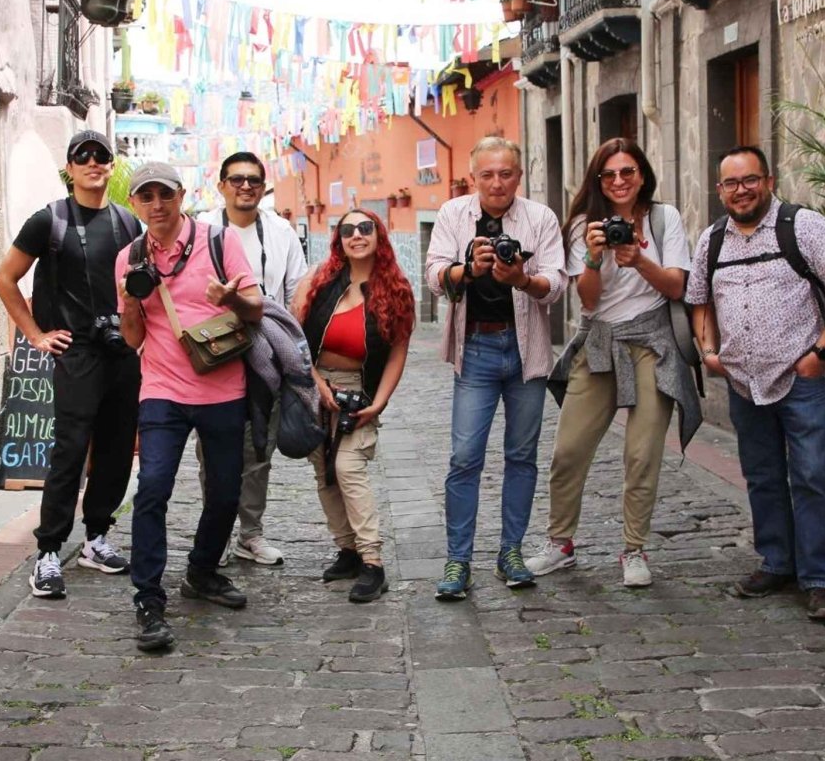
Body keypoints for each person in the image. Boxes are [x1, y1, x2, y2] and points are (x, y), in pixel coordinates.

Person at [687, 146, 825, 623]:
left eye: (750, 180)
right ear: (720, 189)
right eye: (731, 183)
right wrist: (708, 350)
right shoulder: (713, 240)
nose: (740, 190)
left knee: (810, 478)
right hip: (743, 382)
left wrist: (821, 352)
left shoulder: (802, 226)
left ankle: (820, 580)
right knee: (763, 477)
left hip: (800, 377)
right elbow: (699, 300)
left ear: (768, 180)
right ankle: (778, 562)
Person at [527, 138, 701, 588]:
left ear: (642, 174)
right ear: (598, 180)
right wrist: (593, 255)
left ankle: (634, 548)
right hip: (599, 340)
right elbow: (587, 299)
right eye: (609, 174)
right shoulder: (585, 225)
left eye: (627, 172)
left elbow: (677, 287)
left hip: (652, 341)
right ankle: (560, 543)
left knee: (641, 452)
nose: (619, 181)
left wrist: (639, 259)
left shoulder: (665, 219)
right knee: (568, 450)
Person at [113, 162, 265, 652]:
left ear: (181, 195)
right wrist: (129, 304)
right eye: (145, 197)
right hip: (161, 388)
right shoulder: (129, 258)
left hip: (223, 387)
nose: (156, 205)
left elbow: (256, 306)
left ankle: (201, 571)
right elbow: (133, 338)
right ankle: (148, 597)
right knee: (153, 488)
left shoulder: (219, 242)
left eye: (164, 194)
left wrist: (230, 298)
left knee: (224, 494)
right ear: (135, 204)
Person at [0, 130, 141, 599]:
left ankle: (96, 538)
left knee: (118, 451)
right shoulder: (49, 221)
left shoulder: (127, 223)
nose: (93, 163)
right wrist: (35, 335)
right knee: (70, 451)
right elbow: (6, 278)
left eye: (101, 157)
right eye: (84, 157)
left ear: (111, 166)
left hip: (121, 351)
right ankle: (48, 552)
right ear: (70, 168)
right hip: (75, 352)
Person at [425, 137, 566, 600]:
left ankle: (511, 552)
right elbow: (433, 275)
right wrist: (468, 268)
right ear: (474, 177)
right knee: (464, 458)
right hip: (477, 349)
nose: (497, 182)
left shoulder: (540, 218)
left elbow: (556, 286)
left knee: (521, 457)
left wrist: (521, 278)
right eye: (487, 174)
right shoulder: (452, 215)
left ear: (518, 177)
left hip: (528, 352)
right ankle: (458, 560)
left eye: (506, 173)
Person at [292, 209, 413, 604]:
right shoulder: (319, 280)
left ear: (378, 236)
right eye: (348, 230)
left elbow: (397, 351)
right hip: (316, 388)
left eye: (365, 228)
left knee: (347, 466)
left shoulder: (395, 290)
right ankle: (347, 550)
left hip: (357, 391)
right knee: (324, 471)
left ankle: (372, 561)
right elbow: (294, 338)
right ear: (338, 239)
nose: (357, 235)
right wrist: (315, 382)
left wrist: (379, 402)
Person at [196, 151, 308, 568]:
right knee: (214, 447)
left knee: (260, 445)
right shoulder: (202, 228)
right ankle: (216, 533)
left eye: (254, 181)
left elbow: (296, 294)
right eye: (237, 179)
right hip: (214, 351)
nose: (246, 186)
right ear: (221, 185)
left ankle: (250, 534)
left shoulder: (280, 232)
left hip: (267, 351)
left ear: (263, 187)